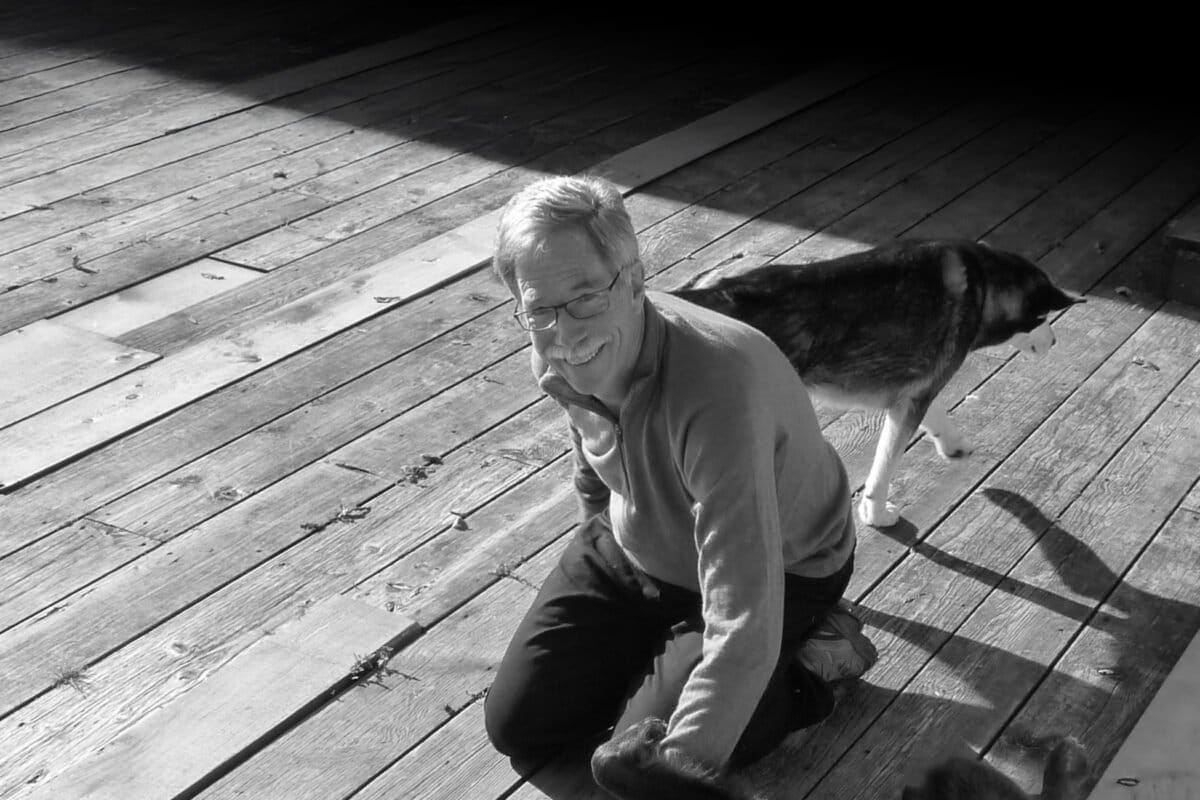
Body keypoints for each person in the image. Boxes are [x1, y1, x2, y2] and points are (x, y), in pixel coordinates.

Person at [482, 174, 877, 791]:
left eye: (586, 297)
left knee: (642, 760)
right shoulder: (558, 348)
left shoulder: (718, 393)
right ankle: (663, 657)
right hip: (642, 538)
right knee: (519, 726)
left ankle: (809, 669)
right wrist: (596, 564)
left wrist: (665, 781)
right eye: (539, 309)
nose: (567, 332)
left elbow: (744, 614)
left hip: (781, 564)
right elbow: (594, 459)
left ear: (635, 281)